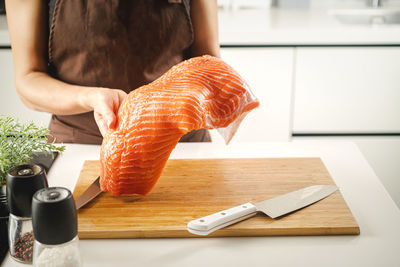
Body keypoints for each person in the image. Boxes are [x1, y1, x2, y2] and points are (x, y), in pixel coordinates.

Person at [6, 0, 220, 144]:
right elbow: (29, 78)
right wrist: (90, 97)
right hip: (80, 144)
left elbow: (207, 62)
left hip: (181, 143)